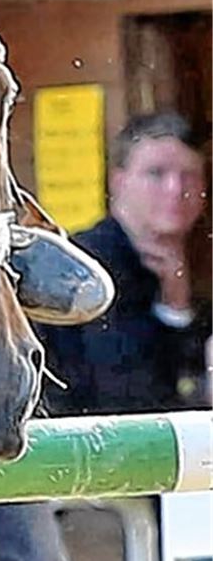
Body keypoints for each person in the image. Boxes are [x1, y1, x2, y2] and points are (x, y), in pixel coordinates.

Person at [42, 111, 211, 418]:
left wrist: (178, 307)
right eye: (156, 174)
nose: (175, 189)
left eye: (189, 175)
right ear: (118, 182)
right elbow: (129, 399)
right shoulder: (83, 267)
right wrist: (172, 312)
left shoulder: (194, 264)